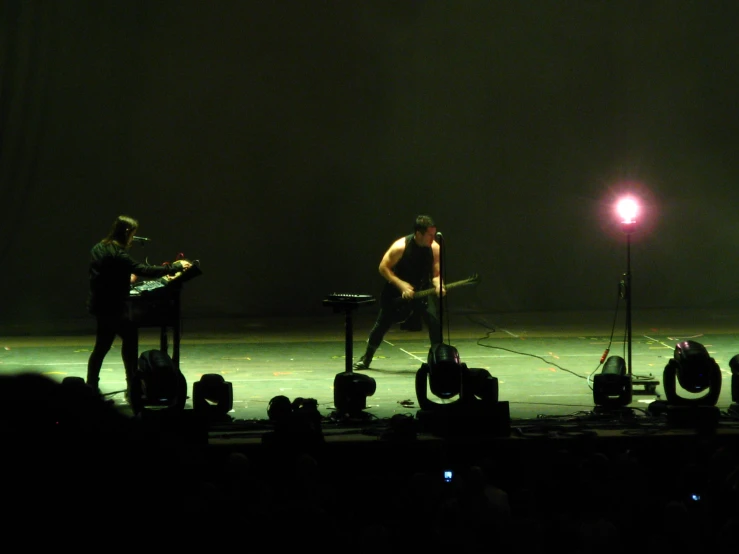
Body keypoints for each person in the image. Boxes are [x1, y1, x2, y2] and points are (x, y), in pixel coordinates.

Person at [86, 215, 192, 395]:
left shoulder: (99, 248)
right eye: (133, 234)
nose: (133, 238)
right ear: (127, 232)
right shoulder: (118, 254)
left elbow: (104, 274)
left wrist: (124, 278)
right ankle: (132, 385)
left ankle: (91, 387)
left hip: (100, 303)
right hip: (113, 306)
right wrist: (175, 267)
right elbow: (144, 269)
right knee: (129, 340)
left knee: (102, 346)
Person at [353, 214, 444, 370]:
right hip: (396, 292)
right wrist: (401, 285)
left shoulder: (435, 248)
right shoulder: (401, 246)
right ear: (419, 233)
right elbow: (383, 267)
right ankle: (366, 358)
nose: (433, 238)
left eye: (434, 234)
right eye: (430, 234)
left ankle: (439, 362)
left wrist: (439, 285)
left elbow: (436, 274)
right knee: (382, 324)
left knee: (435, 323)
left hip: (421, 291)